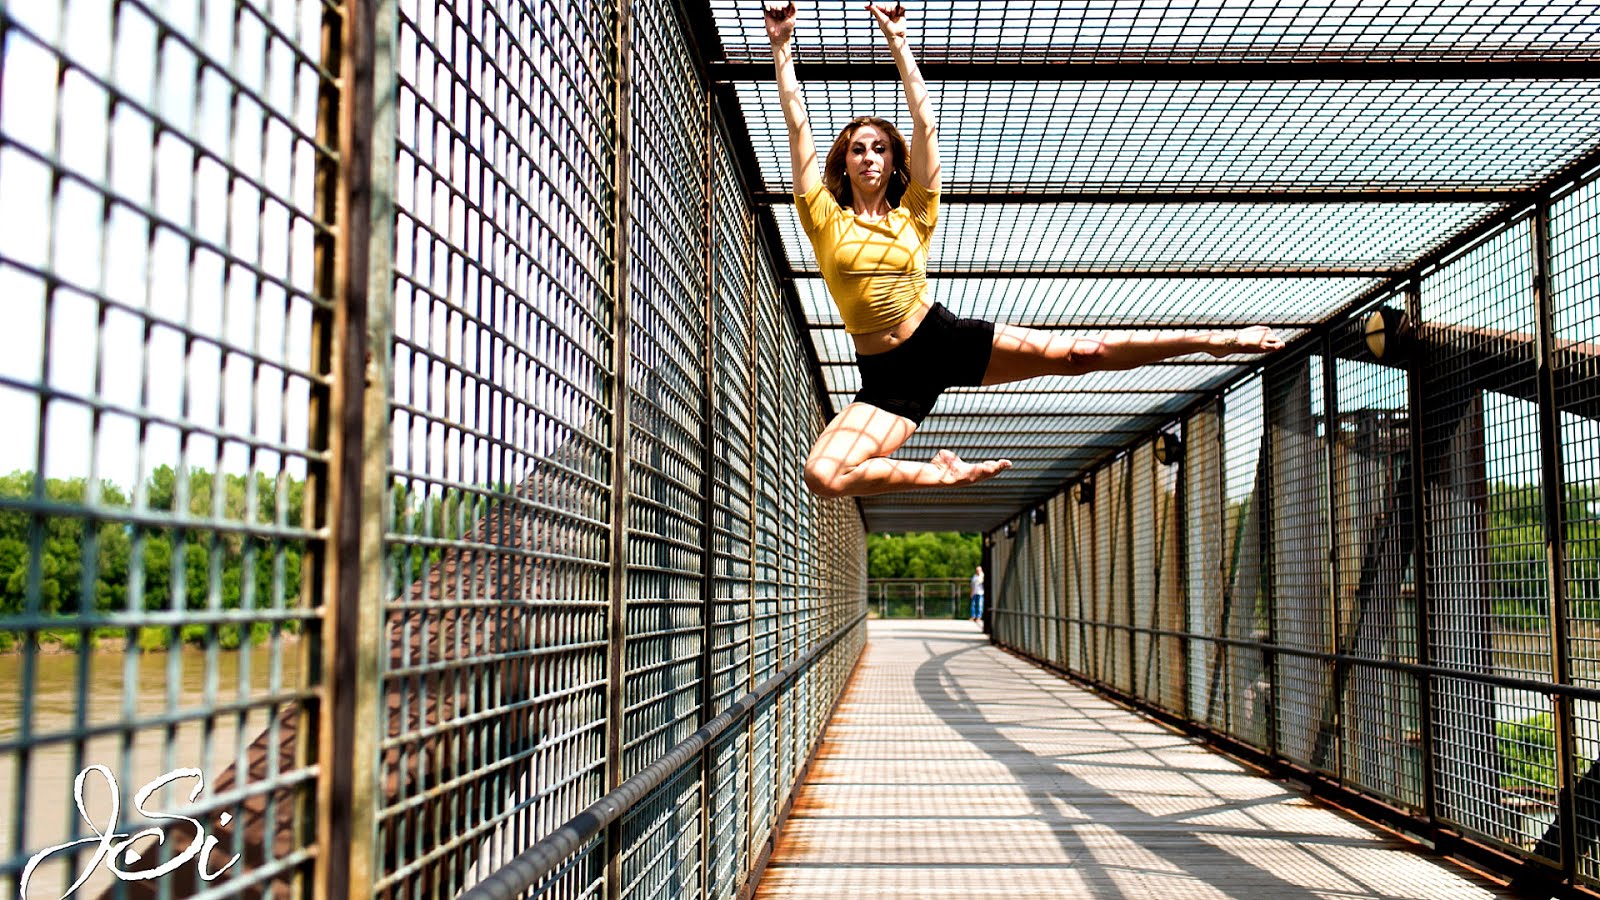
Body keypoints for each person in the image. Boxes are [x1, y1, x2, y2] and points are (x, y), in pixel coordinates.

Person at [763, 2, 1285, 499]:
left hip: (940, 339)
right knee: (823, 475)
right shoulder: (822, 217)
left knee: (1082, 355)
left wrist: (899, 43)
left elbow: (926, 126)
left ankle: (1216, 340)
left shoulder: (915, 212)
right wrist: (781, 47)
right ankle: (947, 476)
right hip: (889, 379)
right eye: (858, 148)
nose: (869, 157)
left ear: (893, 160)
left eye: (880, 148)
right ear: (846, 160)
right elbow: (797, 126)